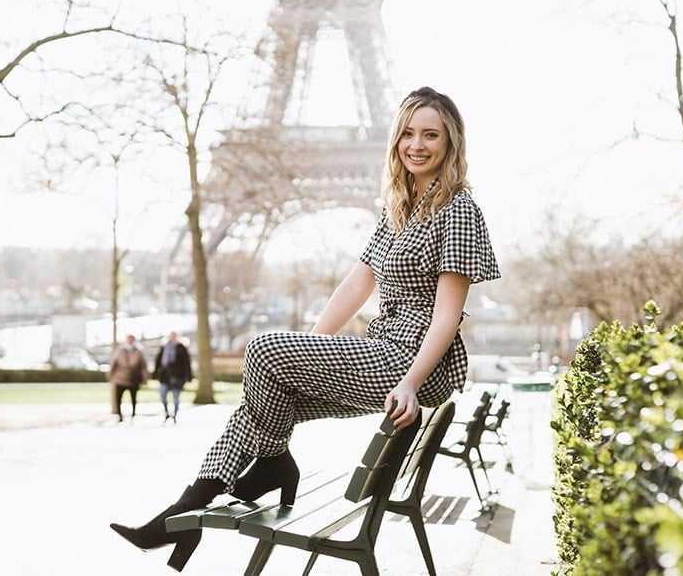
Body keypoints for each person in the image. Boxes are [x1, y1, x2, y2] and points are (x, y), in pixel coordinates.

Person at [109, 86, 501, 572]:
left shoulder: (459, 209)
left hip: (412, 361)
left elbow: (447, 315)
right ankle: (183, 512)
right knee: (260, 402)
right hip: (385, 349)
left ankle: (269, 467)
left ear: (450, 143)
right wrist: (310, 346)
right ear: (395, 139)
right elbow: (358, 283)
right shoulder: (400, 206)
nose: (416, 144)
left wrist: (411, 381)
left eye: (430, 135)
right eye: (407, 133)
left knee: (264, 349)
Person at [107, 334, 149, 422]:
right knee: (118, 398)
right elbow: (113, 363)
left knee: (133, 398)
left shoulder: (139, 351)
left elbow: (143, 366)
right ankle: (120, 415)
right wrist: (110, 376)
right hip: (120, 378)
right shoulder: (120, 350)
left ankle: (133, 413)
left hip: (133, 378)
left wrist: (144, 379)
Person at [153, 331, 193, 423]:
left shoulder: (181, 348)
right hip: (165, 376)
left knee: (176, 398)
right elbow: (158, 362)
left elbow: (187, 363)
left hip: (177, 376)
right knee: (162, 395)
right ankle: (166, 413)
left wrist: (188, 377)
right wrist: (155, 375)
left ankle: (175, 415)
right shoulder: (164, 347)